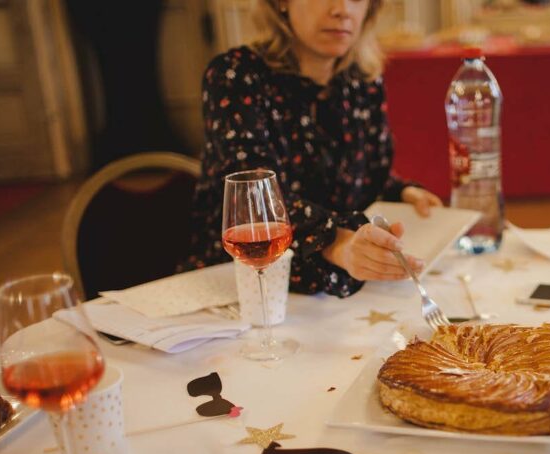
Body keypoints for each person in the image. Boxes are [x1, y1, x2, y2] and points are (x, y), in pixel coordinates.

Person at [185, 0, 443, 296]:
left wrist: (400, 191)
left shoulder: (363, 81)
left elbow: (359, 178)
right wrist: (337, 243)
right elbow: (255, 200)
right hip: (242, 286)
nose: (342, 9)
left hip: (333, 288)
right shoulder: (235, 74)